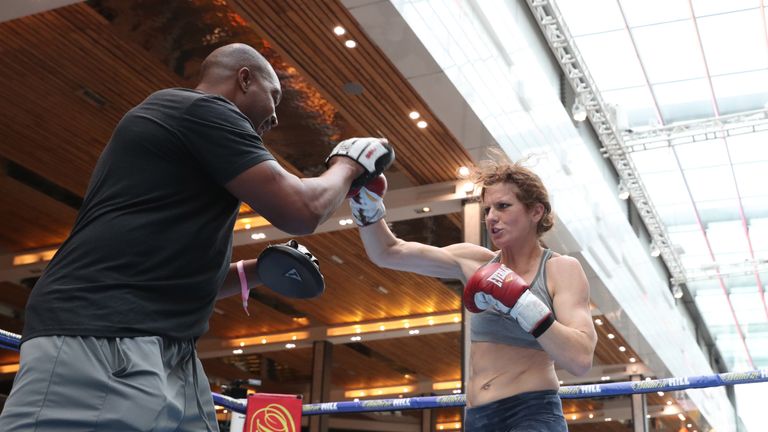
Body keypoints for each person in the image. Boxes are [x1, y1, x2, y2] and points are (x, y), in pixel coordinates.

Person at [0, 43, 393, 431]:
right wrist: (349, 163)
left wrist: (259, 271)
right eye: (274, 98)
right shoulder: (196, 109)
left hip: (168, 350)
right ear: (243, 79)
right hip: (100, 331)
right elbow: (301, 210)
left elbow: (163, 266)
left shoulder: (193, 145)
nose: (274, 118)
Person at [349, 158, 597, 431]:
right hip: (478, 418)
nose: (491, 216)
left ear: (536, 211)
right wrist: (366, 204)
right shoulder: (475, 261)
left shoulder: (560, 269)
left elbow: (581, 359)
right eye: (488, 208)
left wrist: (523, 304)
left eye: (503, 206)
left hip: (532, 413)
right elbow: (387, 253)